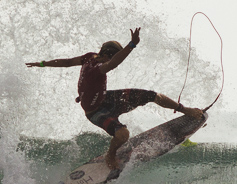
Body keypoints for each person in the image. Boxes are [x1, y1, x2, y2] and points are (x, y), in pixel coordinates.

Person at [26, 27, 204, 170]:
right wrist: (132, 45)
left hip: (107, 98)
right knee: (123, 134)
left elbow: (66, 62)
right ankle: (111, 154)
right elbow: (114, 62)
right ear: (107, 55)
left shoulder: (89, 57)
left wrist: (42, 63)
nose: (111, 64)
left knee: (151, 95)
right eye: (111, 58)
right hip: (95, 111)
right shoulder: (98, 67)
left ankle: (184, 109)